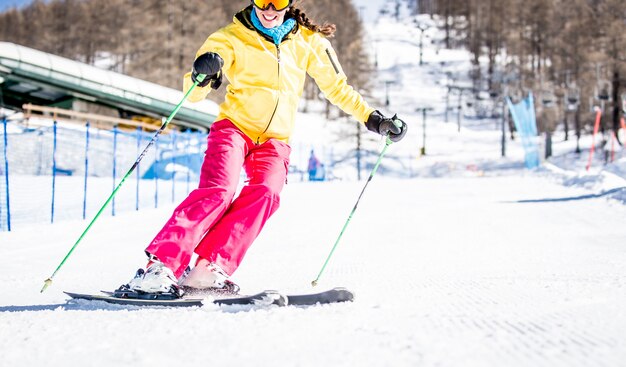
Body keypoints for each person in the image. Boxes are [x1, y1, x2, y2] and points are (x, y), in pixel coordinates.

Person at [124, 0, 407, 296]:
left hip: (274, 139)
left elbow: (337, 88)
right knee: (219, 191)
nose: (269, 9)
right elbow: (192, 94)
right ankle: (158, 268)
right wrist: (203, 75)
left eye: (278, 2)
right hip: (234, 128)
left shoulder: (309, 42)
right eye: (262, 1)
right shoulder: (229, 37)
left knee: (267, 193)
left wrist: (372, 118)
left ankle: (208, 269)